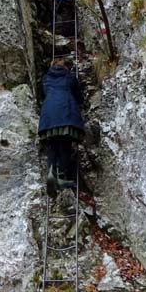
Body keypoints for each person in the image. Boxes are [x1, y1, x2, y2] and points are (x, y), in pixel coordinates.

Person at [38, 58, 84, 196]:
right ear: (65, 67)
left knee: (52, 144)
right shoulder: (70, 78)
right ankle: (61, 176)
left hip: (49, 115)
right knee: (65, 144)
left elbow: (42, 96)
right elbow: (79, 98)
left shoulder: (45, 79)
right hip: (66, 113)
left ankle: (51, 172)